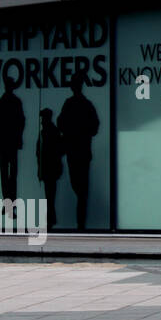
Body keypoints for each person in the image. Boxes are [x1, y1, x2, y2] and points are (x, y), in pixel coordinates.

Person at [57, 71, 99, 230]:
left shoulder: (72, 104)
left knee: (79, 185)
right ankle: (80, 220)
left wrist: (73, 132)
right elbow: (94, 127)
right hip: (80, 150)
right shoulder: (85, 105)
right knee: (81, 186)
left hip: (75, 150)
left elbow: (61, 123)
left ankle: (81, 221)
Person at [0, 74, 24, 208]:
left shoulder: (1, 103)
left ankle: (8, 202)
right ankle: (10, 202)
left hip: (6, 143)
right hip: (10, 143)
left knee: (7, 173)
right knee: (9, 174)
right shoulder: (12, 102)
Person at [35, 109, 62, 229]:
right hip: (50, 168)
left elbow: (41, 151)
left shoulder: (49, 132)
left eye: (43, 118)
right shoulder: (50, 131)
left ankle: (50, 219)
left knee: (50, 195)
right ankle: (50, 219)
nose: (41, 121)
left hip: (49, 168)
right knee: (50, 195)